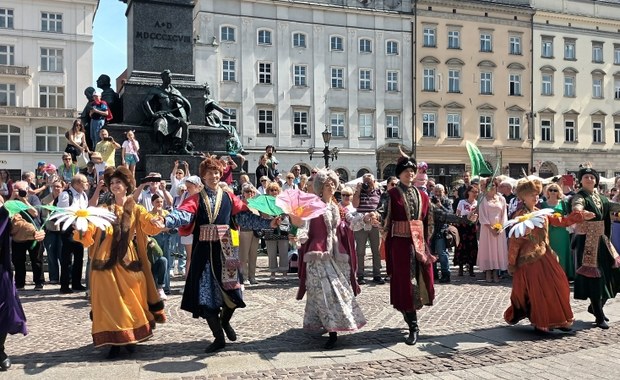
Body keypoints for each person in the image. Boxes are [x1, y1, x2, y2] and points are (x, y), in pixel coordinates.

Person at [160, 156, 279, 353]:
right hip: (204, 254)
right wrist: (166, 220)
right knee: (206, 297)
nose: (214, 176)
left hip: (225, 253)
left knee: (234, 295)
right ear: (203, 176)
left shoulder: (229, 197)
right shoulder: (196, 198)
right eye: (209, 173)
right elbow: (183, 214)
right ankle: (218, 337)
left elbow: (244, 218)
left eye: (216, 172)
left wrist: (268, 224)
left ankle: (225, 321)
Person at [73, 166, 166, 359]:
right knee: (108, 302)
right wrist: (81, 225)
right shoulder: (101, 210)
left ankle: (130, 335)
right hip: (104, 261)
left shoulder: (136, 208)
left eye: (119, 183)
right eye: (112, 183)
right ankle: (113, 341)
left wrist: (157, 221)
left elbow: (148, 222)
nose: (115, 186)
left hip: (128, 259)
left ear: (127, 186)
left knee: (132, 297)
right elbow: (89, 230)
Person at [504, 178, 593, 332]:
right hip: (529, 260)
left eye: (537, 194)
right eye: (532, 195)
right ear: (523, 197)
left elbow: (561, 221)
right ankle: (541, 322)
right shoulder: (520, 215)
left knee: (560, 283)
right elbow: (515, 241)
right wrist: (512, 262)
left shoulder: (541, 212)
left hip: (545, 254)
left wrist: (579, 216)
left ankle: (559, 319)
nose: (536, 197)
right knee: (539, 290)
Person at [291, 169, 366, 349]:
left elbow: (352, 221)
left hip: (335, 254)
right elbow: (304, 226)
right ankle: (332, 331)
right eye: (327, 184)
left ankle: (332, 324)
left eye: (333, 183)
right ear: (320, 187)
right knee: (323, 292)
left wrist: (367, 218)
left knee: (338, 290)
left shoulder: (336, 206)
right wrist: (299, 238)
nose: (331, 186)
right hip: (318, 254)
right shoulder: (313, 205)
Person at [374, 151, 435, 345]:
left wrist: (465, 219)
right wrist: (374, 216)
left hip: (418, 244)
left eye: (412, 170)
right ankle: (413, 326)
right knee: (407, 284)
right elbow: (381, 211)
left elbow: (435, 216)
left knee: (419, 281)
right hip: (400, 246)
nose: (410, 173)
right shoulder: (391, 194)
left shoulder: (422, 195)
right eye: (406, 171)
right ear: (399, 173)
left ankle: (409, 315)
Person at [570, 165, 620, 329]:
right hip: (588, 244)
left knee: (613, 273)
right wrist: (581, 213)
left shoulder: (602, 198)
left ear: (596, 180)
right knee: (594, 279)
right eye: (586, 177)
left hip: (602, 240)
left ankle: (595, 307)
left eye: (592, 177)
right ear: (581, 180)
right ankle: (598, 314)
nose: (590, 179)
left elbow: (614, 206)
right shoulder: (580, 196)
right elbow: (576, 206)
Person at [1, 204, 37, 371]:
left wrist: (33, 232)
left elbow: (18, 224)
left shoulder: (3, 207)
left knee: (3, 310)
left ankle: (0, 352)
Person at [143, 69, 192, 154]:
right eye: (168, 77)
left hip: (173, 116)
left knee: (184, 124)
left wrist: (179, 100)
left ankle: (183, 148)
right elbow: (145, 102)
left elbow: (184, 104)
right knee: (158, 125)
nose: (170, 79)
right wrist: (152, 114)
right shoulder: (157, 90)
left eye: (171, 77)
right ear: (163, 78)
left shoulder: (175, 91)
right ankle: (161, 148)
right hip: (163, 115)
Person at [56, 174, 90, 294]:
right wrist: (72, 223)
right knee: (67, 259)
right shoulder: (66, 195)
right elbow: (61, 213)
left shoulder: (83, 195)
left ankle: (76, 283)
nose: (87, 184)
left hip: (80, 229)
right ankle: (65, 284)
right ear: (78, 183)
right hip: (68, 229)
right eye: (85, 182)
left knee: (79, 257)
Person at [9, 181, 44, 290]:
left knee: (37, 260)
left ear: (28, 189)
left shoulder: (33, 198)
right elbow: (6, 212)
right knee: (18, 261)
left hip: (34, 235)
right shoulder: (12, 200)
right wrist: (12, 197)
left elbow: (35, 213)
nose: (21, 192)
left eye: (22, 190)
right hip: (18, 236)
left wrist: (23, 200)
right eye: (18, 190)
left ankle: (39, 282)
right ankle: (20, 284)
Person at [352, 173, 384, 285]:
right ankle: (360, 275)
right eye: (365, 182)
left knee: (376, 251)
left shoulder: (379, 192)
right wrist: (358, 190)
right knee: (360, 251)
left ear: (374, 181)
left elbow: (381, 208)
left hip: (374, 224)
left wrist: (376, 214)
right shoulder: (359, 192)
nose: (367, 184)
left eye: (369, 181)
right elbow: (355, 205)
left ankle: (377, 274)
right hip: (361, 223)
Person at [477, 178, 508, 283]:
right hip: (487, 229)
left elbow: (504, 214)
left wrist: (500, 227)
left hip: (499, 228)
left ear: (496, 186)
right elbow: (482, 215)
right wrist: (490, 228)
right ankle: (488, 272)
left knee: (497, 250)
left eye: (493, 185)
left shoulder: (501, 199)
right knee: (488, 249)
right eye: (489, 185)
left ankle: (496, 272)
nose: (491, 187)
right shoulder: (482, 198)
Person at [541, 182, 574, 280]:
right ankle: (549, 274)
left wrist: (560, 220)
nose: (553, 192)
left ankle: (562, 274)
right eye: (550, 190)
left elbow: (568, 217)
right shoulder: (542, 204)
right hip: (548, 231)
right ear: (547, 192)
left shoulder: (563, 203)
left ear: (559, 192)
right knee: (549, 252)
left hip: (561, 232)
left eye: (555, 190)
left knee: (562, 252)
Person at [262, 182, 290, 280]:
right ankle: (272, 272)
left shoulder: (283, 201)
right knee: (271, 251)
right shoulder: (265, 202)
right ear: (268, 191)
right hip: (270, 228)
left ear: (279, 191)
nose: (274, 192)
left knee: (283, 251)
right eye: (271, 190)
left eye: (275, 190)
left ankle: (284, 273)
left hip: (283, 227)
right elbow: (264, 215)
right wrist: (272, 219)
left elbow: (286, 212)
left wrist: (280, 219)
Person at [429, 184, 456, 283]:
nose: (437, 193)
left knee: (442, 253)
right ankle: (433, 273)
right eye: (436, 191)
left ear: (444, 192)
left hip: (441, 230)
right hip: (431, 229)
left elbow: (450, 214)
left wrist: (440, 206)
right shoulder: (429, 200)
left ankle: (446, 274)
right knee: (430, 253)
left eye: (440, 191)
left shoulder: (447, 201)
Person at [41, 179, 65, 284]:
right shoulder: (45, 200)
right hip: (50, 230)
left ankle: (66, 277)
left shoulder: (66, 199)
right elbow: (42, 216)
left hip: (63, 230)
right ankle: (54, 277)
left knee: (63, 254)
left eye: (58, 186)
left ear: (63, 188)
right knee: (51, 254)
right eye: (54, 186)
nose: (56, 188)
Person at [454, 185, 479, 277]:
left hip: (472, 227)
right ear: (468, 192)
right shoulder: (462, 202)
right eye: (473, 191)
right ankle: (460, 268)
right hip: (462, 227)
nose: (475, 194)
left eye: (476, 192)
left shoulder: (477, 204)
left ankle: (471, 268)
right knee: (461, 246)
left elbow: (478, 217)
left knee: (472, 247)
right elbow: (457, 214)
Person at [238, 184, 260, 285]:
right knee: (243, 255)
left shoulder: (257, 204)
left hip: (255, 232)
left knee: (253, 255)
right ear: (243, 193)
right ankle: (244, 277)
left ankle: (253, 276)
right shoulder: (240, 204)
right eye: (247, 191)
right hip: (244, 231)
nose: (250, 193)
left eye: (252, 192)